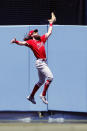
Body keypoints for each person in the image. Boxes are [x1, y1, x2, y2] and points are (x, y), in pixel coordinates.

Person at [11, 12, 56, 104]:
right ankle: (43, 95)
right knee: (50, 77)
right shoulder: (31, 42)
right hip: (40, 63)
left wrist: (51, 23)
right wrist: (16, 41)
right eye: (35, 32)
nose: (37, 32)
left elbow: (49, 32)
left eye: (37, 31)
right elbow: (22, 43)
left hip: (42, 63)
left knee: (41, 81)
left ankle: (31, 96)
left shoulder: (42, 39)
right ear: (32, 35)